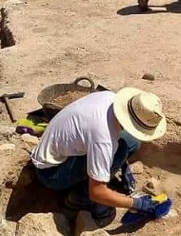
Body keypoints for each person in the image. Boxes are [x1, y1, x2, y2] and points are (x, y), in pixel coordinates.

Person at [31, 87, 168, 227]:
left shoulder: (109, 97)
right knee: (120, 152)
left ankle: (100, 174)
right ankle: (78, 199)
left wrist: (123, 164)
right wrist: (138, 204)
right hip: (51, 173)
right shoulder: (104, 138)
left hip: (58, 152)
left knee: (131, 142)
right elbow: (97, 192)